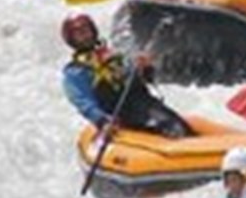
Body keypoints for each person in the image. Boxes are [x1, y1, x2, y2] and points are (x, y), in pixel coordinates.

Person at [59, 13, 189, 137]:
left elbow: (148, 79)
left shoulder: (117, 54)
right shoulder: (76, 71)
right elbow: (83, 102)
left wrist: (146, 68)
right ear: (71, 39)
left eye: (85, 28)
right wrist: (101, 121)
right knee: (170, 126)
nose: (84, 33)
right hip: (120, 114)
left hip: (146, 104)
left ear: (93, 30)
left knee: (181, 126)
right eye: (78, 32)